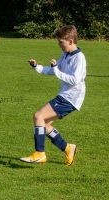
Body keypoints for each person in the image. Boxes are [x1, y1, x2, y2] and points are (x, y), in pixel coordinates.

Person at [20, 25, 86, 166]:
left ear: (70, 41)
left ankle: (39, 153)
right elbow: (53, 71)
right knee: (43, 124)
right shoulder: (66, 54)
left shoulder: (79, 58)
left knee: (38, 116)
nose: (59, 45)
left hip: (71, 97)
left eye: (61, 42)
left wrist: (56, 70)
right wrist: (37, 66)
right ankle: (68, 148)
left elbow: (76, 80)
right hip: (66, 95)